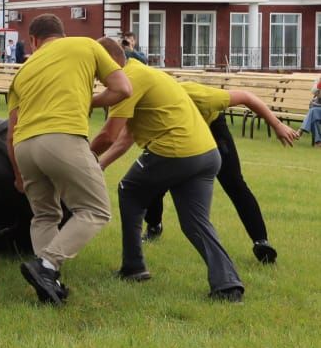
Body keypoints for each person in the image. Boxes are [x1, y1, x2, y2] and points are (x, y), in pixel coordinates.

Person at [89, 40, 250, 301]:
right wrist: (102, 164)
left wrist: (82, 159)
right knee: (195, 222)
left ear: (108, 60)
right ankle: (228, 285)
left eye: (96, 68)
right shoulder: (144, 73)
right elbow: (127, 136)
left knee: (128, 190)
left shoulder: (128, 81)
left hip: (175, 152)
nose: (96, 76)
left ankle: (133, 266)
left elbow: (109, 135)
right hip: (207, 154)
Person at [7, 15, 132, 305]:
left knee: (45, 215)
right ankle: (47, 265)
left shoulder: (23, 71)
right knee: (95, 209)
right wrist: (89, 100)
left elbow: (10, 132)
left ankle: (49, 283)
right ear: (62, 34)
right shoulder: (85, 45)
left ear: (34, 41)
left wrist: (17, 174)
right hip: (62, 137)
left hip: (25, 147)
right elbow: (123, 88)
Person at [138, 77, 297, 264]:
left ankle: (261, 242)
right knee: (155, 180)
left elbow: (247, 97)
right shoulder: (151, 107)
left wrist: (277, 125)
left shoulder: (196, 95)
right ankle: (154, 225)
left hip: (212, 128)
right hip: (179, 136)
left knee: (234, 183)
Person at [303, 77, 321, 145]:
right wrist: (320, 83)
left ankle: (301, 130)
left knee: (313, 112)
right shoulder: (318, 79)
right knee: (314, 117)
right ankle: (318, 142)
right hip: (318, 109)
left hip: (317, 109)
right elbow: (313, 91)